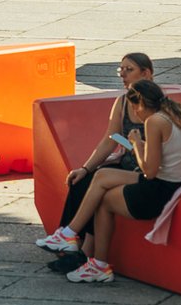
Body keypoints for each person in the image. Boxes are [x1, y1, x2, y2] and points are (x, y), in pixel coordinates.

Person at [38, 80, 181, 284]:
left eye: (134, 108)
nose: (135, 113)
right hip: (175, 183)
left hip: (162, 189)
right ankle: (69, 235)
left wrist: (136, 144)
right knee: (101, 176)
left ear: (140, 104)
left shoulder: (154, 122)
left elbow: (149, 171)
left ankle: (96, 262)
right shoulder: (173, 114)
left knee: (105, 201)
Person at [44, 53, 157, 275]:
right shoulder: (122, 101)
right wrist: (85, 167)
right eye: (121, 69)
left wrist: (138, 145)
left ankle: (80, 250)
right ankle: (69, 245)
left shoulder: (156, 103)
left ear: (146, 73)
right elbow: (110, 139)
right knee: (81, 180)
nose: (123, 75)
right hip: (126, 164)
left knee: (100, 184)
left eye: (129, 70)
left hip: (144, 169)